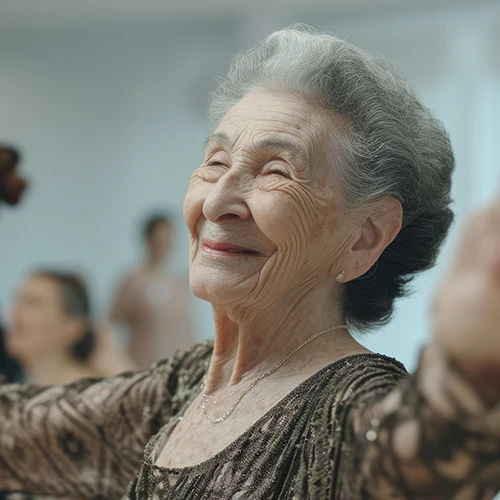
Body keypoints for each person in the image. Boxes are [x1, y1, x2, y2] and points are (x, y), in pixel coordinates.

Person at [0, 26, 499, 499]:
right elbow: (12, 434)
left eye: (276, 171)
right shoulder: (184, 387)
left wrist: (470, 374)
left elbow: (421, 462)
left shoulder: (346, 406)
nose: (217, 202)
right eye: (215, 161)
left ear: (363, 238)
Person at [7, 270, 134, 385]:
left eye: (33, 303)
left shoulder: (90, 398)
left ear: (74, 326)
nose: (15, 311)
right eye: (17, 300)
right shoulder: (17, 392)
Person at [110, 212, 194, 368]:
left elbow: (187, 328)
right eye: (159, 239)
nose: (163, 245)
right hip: (144, 370)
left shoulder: (181, 282)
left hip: (180, 371)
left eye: (167, 239)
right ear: (148, 240)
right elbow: (110, 327)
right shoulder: (133, 281)